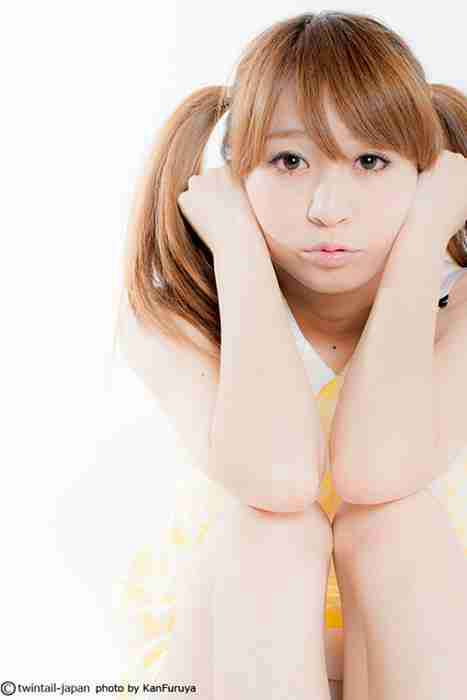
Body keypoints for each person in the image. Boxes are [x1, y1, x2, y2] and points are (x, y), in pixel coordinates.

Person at [112, 10, 467, 700]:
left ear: (427, 175)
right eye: (288, 161)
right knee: (271, 535)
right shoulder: (174, 315)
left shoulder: (458, 309)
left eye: (371, 161)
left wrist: (425, 236)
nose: (328, 208)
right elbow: (276, 478)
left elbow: (377, 471)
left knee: (396, 526)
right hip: (230, 667)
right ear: (234, 175)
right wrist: (237, 250)